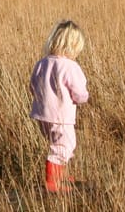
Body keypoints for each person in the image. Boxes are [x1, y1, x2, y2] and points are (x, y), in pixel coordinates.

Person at [29, 20, 90, 193]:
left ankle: (58, 175)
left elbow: (32, 86)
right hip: (62, 117)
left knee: (58, 144)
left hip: (42, 115)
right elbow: (79, 92)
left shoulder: (42, 63)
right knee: (65, 145)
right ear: (74, 46)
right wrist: (84, 98)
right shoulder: (71, 66)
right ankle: (51, 182)